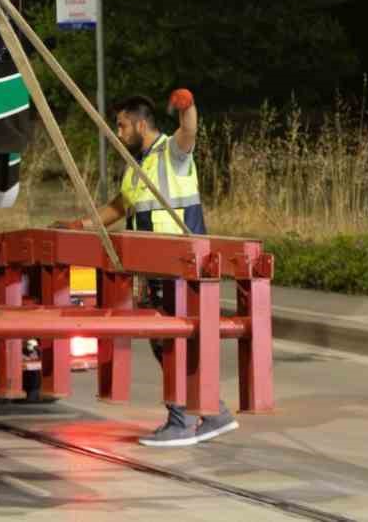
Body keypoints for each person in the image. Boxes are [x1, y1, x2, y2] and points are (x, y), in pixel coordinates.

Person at [63, 88, 238, 448]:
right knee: (170, 343)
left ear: (141, 124)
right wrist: (82, 225)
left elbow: (188, 133)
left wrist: (188, 106)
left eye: (122, 124)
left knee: (170, 343)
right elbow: (120, 206)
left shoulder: (170, 154)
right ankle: (213, 412)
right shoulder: (138, 167)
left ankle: (181, 421)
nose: (118, 131)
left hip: (179, 268)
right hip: (158, 269)